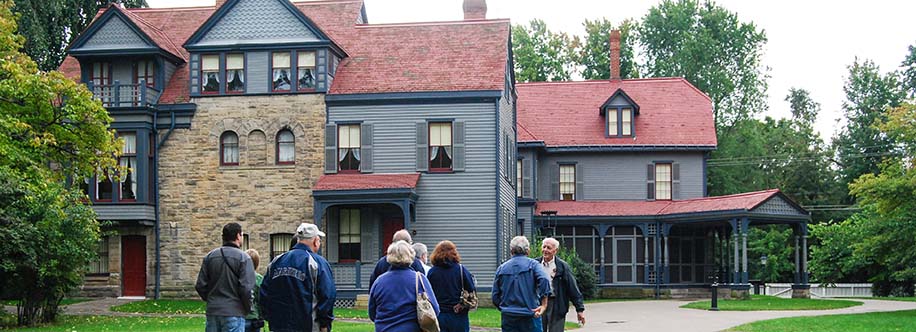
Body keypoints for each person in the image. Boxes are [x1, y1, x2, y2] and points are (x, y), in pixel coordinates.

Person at [260, 223, 336, 332]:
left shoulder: (276, 261)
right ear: (315, 241)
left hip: (279, 326)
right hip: (307, 325)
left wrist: (269, 317)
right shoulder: (317, 263)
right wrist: (325, 323)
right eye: (319, 240)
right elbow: (327, 296)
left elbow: (264, 293)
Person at [195, 222, 256, 332]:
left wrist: (212, 299)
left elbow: (200, 285)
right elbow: (246, 288)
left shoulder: (210, 257)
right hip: (234, 311)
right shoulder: (244, 258)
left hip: (213, 311)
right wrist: (247, 308)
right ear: (238, 236)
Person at [369, 241, 440, 331]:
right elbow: (435, 309)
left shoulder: (379, 282)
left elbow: (372, 313)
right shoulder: (419, 279)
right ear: (411, 256)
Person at [492, 236, 551, 332]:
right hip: (530, 314)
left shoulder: (502, 268)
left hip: (509, 316)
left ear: (511, 251)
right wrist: (544, 303)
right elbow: (544, 279)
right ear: (528, 251)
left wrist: (505, 308)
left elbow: (495, 296)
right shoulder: (533, 265)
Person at [535, 238, 586, 331]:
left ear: (555, 251)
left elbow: (572, 288)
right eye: (544, 247)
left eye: (548, 248)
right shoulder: (535, 264)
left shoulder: (562, 266)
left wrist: (580, 309)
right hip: (539, 302)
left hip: (557, 304)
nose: (545, 250)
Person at [427, 240, 476, 332]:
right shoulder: (461, 270)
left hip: (439, 315)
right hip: (458, 315)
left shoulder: (432, 272)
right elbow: (471, 290)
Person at [244, 249, 264, 332]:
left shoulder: (239, 278)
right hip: (255, 318)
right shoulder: (259, 279)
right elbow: (262, 299)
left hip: (241, 316)